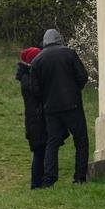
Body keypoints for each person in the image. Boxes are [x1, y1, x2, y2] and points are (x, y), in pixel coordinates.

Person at [30, 28, 90, 186]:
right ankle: (79, 177)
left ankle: (49, 179)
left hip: (51, 108)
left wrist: (46, 99)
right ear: (59, 39)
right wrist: (74, 90)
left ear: (45, 42)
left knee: (52, 143)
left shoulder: (37, 60)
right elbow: (83, 76)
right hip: (73, 104)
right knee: (81, 140)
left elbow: (35, 89)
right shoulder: (69, 53)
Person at [15, 46, 48, 189]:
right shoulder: (28, 78)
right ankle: (36, 184)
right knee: (39, 153)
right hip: (36, 120)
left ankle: (39, 182)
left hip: (36, 119)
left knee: (42, 152)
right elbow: (37, 93)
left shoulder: (27, 76)